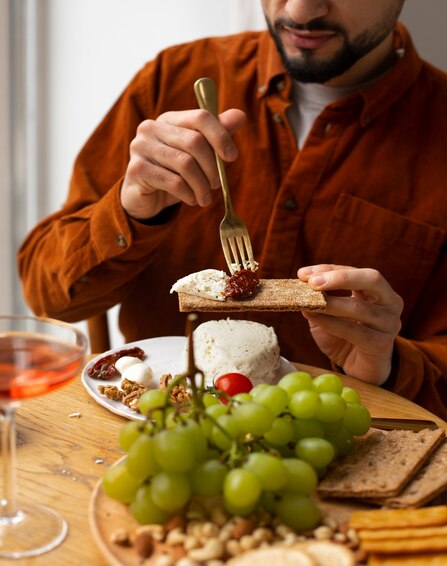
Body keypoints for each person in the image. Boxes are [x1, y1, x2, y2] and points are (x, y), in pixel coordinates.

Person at [18, 0, 447, 419]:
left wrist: (392, 366)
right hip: (157, 441)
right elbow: (47, 294)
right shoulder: (173, 78)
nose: (299, 11)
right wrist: (132, 211)